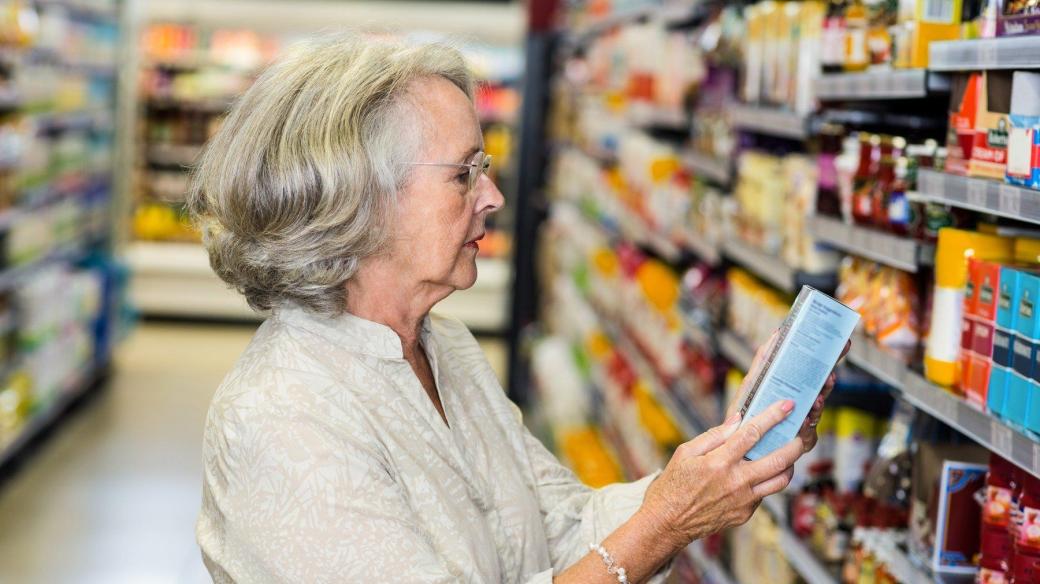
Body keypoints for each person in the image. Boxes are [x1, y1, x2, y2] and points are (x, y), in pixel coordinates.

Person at [189, 33, 840, 584]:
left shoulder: (444, 348)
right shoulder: (282, 418)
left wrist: (727, 456)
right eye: (463, 173)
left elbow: (560, 527)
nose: (493, 195)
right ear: (358, 200)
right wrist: (667, 521)